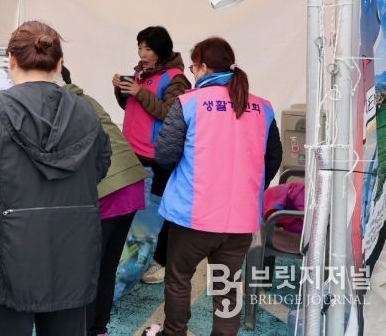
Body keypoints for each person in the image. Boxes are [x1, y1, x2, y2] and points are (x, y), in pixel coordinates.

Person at [0, 21, 112, 336]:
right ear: (59, 63)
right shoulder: (85, 111)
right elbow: (100, 167)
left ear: (10, 59)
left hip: (10, 254)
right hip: (73, 254)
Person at [150, 37, 282, 336]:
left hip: (192, 215)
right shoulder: (262, 107)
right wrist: (249, 186)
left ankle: (174, 332)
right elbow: (273, 158)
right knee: (228, 287)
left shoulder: (189, 102)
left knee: (179, 279)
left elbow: (165, 155)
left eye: (193, 68)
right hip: (240, 220)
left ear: (203, 67)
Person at [59, 65, 147, 336]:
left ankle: (86, 329)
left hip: (109, 189)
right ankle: (98, 328)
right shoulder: (85, 99)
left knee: (87, 270)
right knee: (106, 266)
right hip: (130, 182)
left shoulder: (62, 107)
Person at [112, 26, 190, 284]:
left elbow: (171, 114)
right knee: (134, 210)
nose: (142, 53)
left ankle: (160, 261)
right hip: (132, 151)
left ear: (161, 50)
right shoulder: (141, 74)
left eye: (148, 48)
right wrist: (122, 90)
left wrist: (139, 92)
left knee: (156, 212)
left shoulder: (176, 78)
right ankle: (132, 259)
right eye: (139, 48)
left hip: (156, 156)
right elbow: (133, 107)